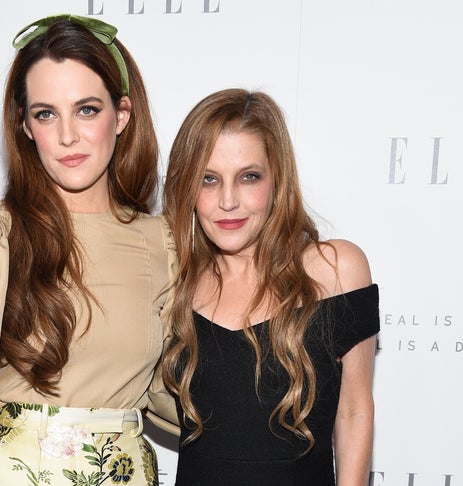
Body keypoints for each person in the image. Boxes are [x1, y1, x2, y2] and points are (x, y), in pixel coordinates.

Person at [0, 15, 175, 486]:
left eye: (86, 109)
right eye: (46, 113)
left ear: (121, 115)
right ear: (24, 125)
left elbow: (179, 394)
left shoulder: (162, 245)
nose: (67, 136)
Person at [160, 89, 379, 485]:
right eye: (208, 179)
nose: (228, 201)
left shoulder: (336, 271)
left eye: (249, 177)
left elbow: (354, 411)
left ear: (277, 180)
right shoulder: (175, 279)